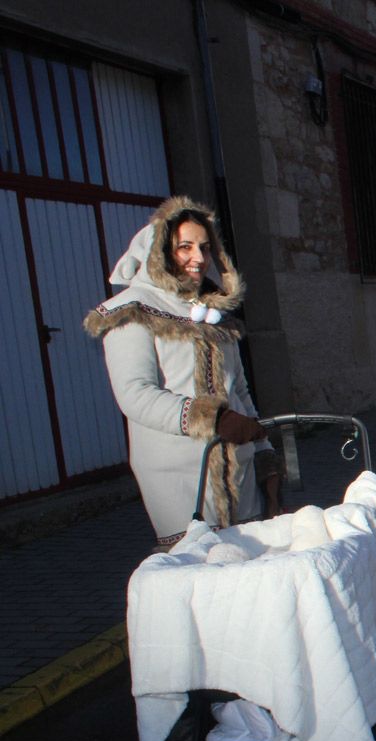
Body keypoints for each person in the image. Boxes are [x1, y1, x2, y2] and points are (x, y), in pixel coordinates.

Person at [86, 196, 278, 547]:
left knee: (249, 572)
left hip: (239, 467)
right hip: (177, 472)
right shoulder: (131, 311)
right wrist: (212, 419)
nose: (199, 258)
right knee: (198, 576)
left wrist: (265, 454)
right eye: (185, 246)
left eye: (205, 247)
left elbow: (241, 391)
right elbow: (135, 393)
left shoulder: (215, 313)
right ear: (159, 250)